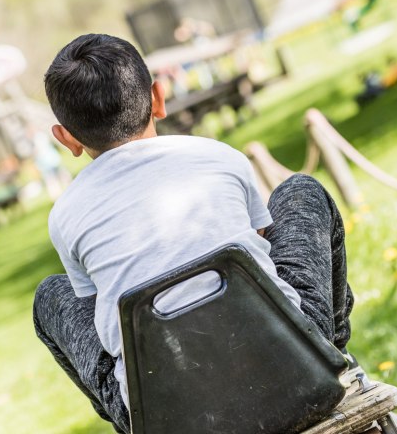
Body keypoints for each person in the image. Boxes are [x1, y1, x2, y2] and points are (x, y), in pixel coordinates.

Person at [32, 34, 355, 433]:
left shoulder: (64, 215)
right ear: (158, 97)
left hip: (169, 417)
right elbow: (263, 245)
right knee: (301, 190)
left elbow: (96, 306)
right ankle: (332, 353)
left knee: (51, 295)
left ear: (66, 138)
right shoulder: (220, 156)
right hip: (298, 372)